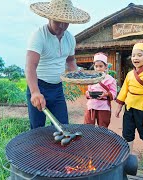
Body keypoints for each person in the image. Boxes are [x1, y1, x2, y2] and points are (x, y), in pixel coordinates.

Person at [26, 0, 90, 129]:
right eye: (57, 21)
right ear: (49, 17)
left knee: (62, 126)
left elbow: (70, 60)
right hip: (39, 86)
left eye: (65, 22)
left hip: (57, 88)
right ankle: (39, 149)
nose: (61, 26)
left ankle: (59, 150)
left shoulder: (70, 38)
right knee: (37, 129)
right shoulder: (39, 36)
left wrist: (76, 74)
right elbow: (30, 66)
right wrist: (35, 92)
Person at [115, 43, 143, 172]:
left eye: (139, 55)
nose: (136, 58)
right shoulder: (129, 74)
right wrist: (118, 107)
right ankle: (128, 159)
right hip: (129, 109)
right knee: (127, 134)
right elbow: (124, 91)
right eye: (133, 55)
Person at [84, 53, 117, 128]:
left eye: (101, 66)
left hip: (104, 106)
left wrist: (105, 94)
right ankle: (89, 139)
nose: (98, 68)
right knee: (88, 126)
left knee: (103, 127)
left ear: (105, 67)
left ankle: (102, 140)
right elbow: (87, 92)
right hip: (91, 105)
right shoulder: (91, 78)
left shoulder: (111, 79)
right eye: (96, 66)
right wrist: (89, 94)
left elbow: (114, 93)